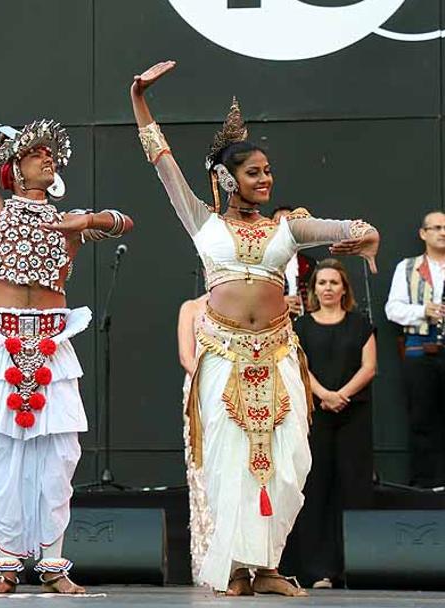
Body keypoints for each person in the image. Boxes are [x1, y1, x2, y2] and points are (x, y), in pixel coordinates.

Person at [131, 60, 379, 596]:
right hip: (221, 354)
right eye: (254, 172)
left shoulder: (286, 228)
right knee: (228, 464)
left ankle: (267, 567)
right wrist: (139, 100)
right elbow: (162, 161)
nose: (266, 179)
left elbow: (345, 227)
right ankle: (238, 570)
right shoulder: (202, 220)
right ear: (226, 178)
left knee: (288, 461)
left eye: (268, 171)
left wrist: (366, 235)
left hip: (277, 354)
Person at [0, 45, 134, 594]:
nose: (48, 160)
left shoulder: (69, 219)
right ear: (14, 165)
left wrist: (85, 221)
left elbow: (124, 221)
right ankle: (9, 561)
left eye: (50, 155)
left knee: (59, 459)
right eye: (36, 154)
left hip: (54, 344)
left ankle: (54, 563)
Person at [287, 259, 375, 588]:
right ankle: (317, 570)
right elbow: (299, 366)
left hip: (353, 414)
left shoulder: (360, 324)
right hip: (316, 416)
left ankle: (354, 567)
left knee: (352, 487)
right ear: (313, 290)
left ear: (343, 289)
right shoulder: (301, 327)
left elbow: (369, 367)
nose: (327, 288)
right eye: (321, 283)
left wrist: (342, 395)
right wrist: (324, 394)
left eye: (333, 283)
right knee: (316, 487)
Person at [385, 211, 445, 487]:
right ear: (423, 233)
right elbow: (393, 309)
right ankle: (423, 486)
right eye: (436, 228)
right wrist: (423, 311)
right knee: (421, 420)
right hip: (420, 352)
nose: (442, 232)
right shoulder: (407, 267)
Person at [177, 294, 212, 584]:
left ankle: (243, 563)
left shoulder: (240, 305)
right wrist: (208, 380)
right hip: (200, 390)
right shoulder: (191, 308)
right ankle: (207, 562)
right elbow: (186, 356)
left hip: (234, 390)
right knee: (201, 472)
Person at [272, 206, 317, 318]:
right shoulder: (261, 263)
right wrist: (278, 303)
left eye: (289, 222)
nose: (283, 227)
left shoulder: (311, 264)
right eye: (278, 222)